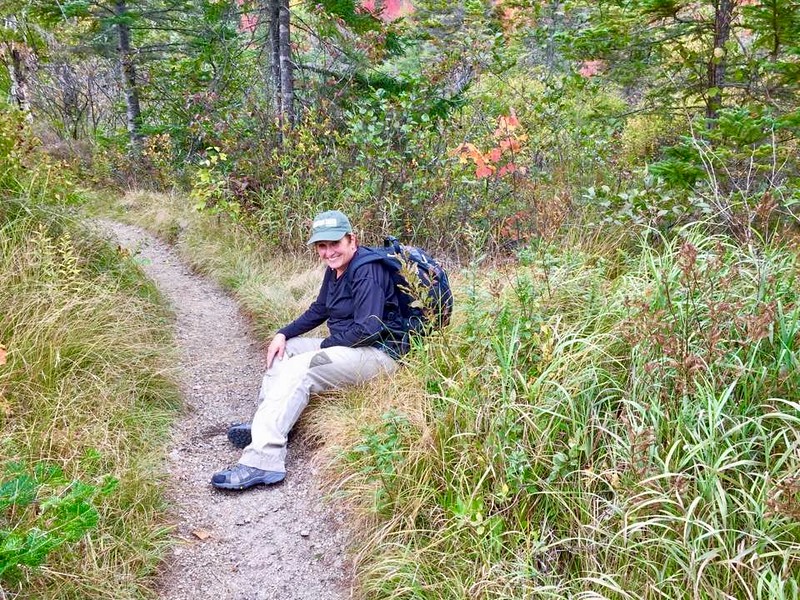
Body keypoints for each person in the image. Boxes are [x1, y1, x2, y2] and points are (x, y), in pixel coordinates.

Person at [211, 210, 409, 490]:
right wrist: (283, 334)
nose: (328, 252)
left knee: (301, 367)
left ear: (352, 239)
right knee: (287, 351)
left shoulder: (367, 271)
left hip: (379, 355)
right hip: (350, 347)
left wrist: (322, 347)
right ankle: (267, 425)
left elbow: (368, 329)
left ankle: (263, 461)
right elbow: (320, 309)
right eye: (322, 246)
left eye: (334, 243)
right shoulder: (336, 269)